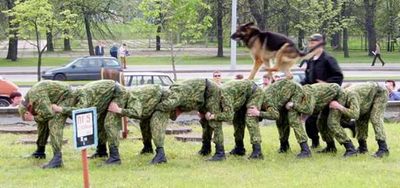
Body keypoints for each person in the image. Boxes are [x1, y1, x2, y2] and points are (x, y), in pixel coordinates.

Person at [151, 79, 227, 163]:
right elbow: (191, 99)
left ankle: (220, 153)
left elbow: (169, 104)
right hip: (201, 96)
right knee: (204, 122)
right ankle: (206, 148)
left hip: (210, 91)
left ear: (175, 108)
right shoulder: (178, 99)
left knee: (214, 122)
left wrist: (156, 108)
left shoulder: (174, 96)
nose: (178, 115)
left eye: (176, 114)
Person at [52, 80, 125, 160]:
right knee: (99, 124)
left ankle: (115, 157)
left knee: (109, 124)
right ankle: (101, 152)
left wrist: (60, 109)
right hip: (106, 98)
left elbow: (80, 110)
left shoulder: (83, 94)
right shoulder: (80, 94)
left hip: (118, 94)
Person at [247, 79, 315, 158]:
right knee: (281, 121)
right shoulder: (260, 99)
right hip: (283, 96)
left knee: (293, 120)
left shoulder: (266, 101)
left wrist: (258, 113)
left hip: (295, 91)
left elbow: (275, 115)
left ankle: (306, 150)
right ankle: (284, 146)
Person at [18, 81, 76, 169]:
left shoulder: (36, 96)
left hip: (68, 96)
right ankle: (40, 152)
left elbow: (49, 114)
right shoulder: (29, 99)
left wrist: (34, 118)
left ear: (27, 111)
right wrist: (37, 118)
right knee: (42, 122)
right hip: (58, 98)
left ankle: (57, 159)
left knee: (54, 122)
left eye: (26, 117)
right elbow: (43, 115)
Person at [300, 33, 344, 148]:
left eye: (313, 43)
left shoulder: (328, 59)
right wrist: (299, 86)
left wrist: (326, 84)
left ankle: (331, 145)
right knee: (311, 122)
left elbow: (338, 76)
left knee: (323, 121)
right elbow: (308, 79)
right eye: (310, 42)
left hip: (326, 96)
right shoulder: (310, 60)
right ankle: (316, 142)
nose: (310, 45)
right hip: (313, 96)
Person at [105, 85, 167, 165]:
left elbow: (136, 113)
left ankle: (161, 155)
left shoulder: (132, 97)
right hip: (150, 102)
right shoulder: (128, 96)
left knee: (156, 124)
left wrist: (119, 110)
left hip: (162, 100)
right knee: (143, 123)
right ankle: (147, 148)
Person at [205, 80, 264, 159]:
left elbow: (229, 116)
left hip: (254, 93)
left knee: (250, 117)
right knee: (237, 120)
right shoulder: (216, 95)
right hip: (241, 98)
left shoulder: (223, 95)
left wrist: (213, 116)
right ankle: (239, 148)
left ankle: (257, 152)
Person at [329, 82, 389, 158]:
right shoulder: (342, 96)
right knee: (361, 120)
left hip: (379, 92)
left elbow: (355, 115)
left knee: (375, 118)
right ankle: (362, 147)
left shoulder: (351, 95)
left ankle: (383, 149)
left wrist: (339, 107)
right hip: (366, 97)